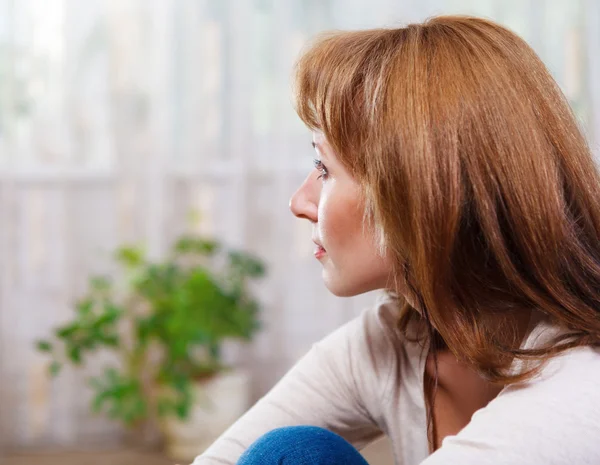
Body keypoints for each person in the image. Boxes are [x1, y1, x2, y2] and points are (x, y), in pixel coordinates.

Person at [193, 15, 600, 464]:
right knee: (294, 455)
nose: (299, 201)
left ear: (419, 194)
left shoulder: (580, 386)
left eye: (324, 170)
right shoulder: (391, 342)